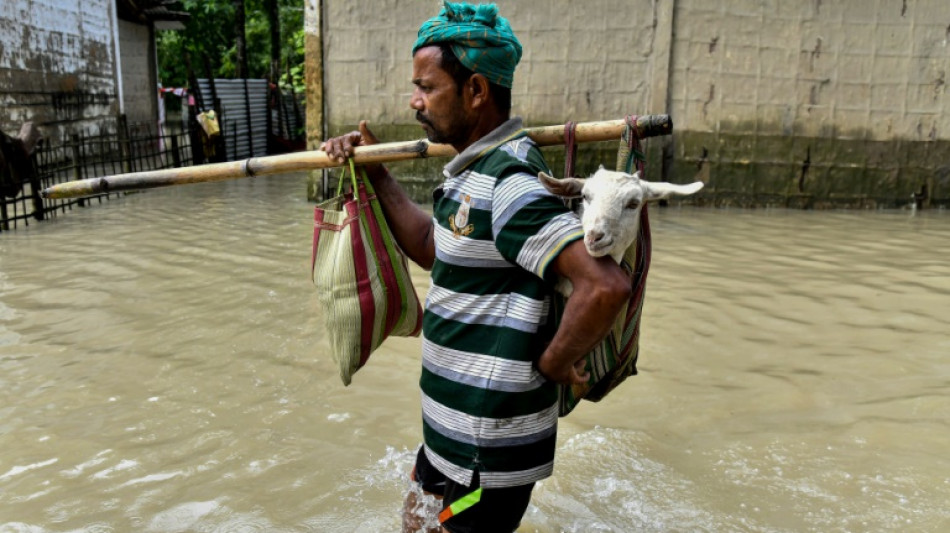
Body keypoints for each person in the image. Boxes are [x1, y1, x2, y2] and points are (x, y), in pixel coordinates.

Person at [320, 2, 631, 532]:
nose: (413, 101)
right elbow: (432, 248)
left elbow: (603, 286)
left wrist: (556, 363)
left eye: (427, 87)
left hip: (486, 467)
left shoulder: (508, 183)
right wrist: (374, 169)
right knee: (416, 525)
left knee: (449, 525)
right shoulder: (471, 175)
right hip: (450, 440)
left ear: (477, 91)